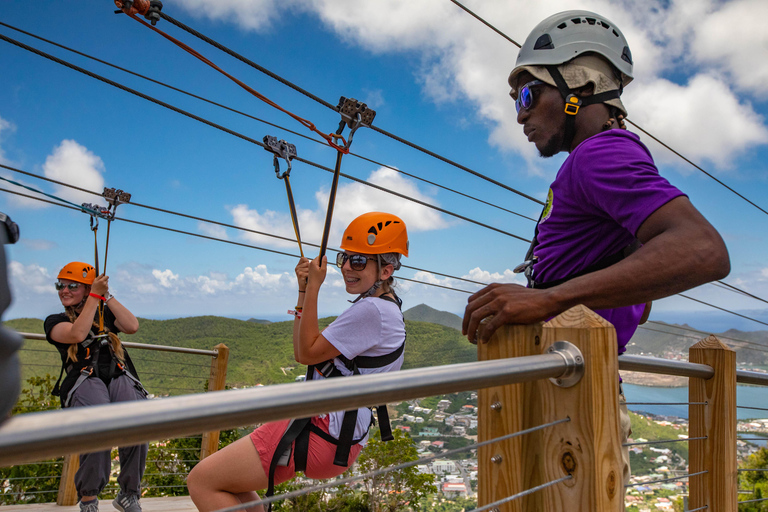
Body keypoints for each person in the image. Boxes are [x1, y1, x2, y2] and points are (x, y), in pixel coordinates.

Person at [461, 9, 730, 498]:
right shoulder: (597, 159)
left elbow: (703, 250)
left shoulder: (601, 155)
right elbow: (638, 283)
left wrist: (548, 300)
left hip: (575, 396)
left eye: (528, 93)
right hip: (569, 386)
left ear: (577, 88)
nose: (519, 113)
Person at [188, 212, 409, 512]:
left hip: (321, 427)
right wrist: (304, 291)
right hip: (336, 432)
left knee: (202, 480)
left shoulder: (372, 311)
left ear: (386, 270)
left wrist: (313, 288)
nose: (346, 268)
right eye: (344, 258)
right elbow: (303, 351)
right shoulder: (387, 308)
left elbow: (306, 352)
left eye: (358, 261)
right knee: (229, 486)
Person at [44, 262, 146, 512]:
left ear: (86, 288)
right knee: (98, 422)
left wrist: (106, 296)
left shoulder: (104, 314)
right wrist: (94, 296)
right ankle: (89, 498)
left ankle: (129, 493)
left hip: (115, 374)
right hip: (84, 378)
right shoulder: (54, 321)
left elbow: (132, 326)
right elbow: (78, 334)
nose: (64, 290)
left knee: (139, 419)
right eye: (61, 285)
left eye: (71, 286)